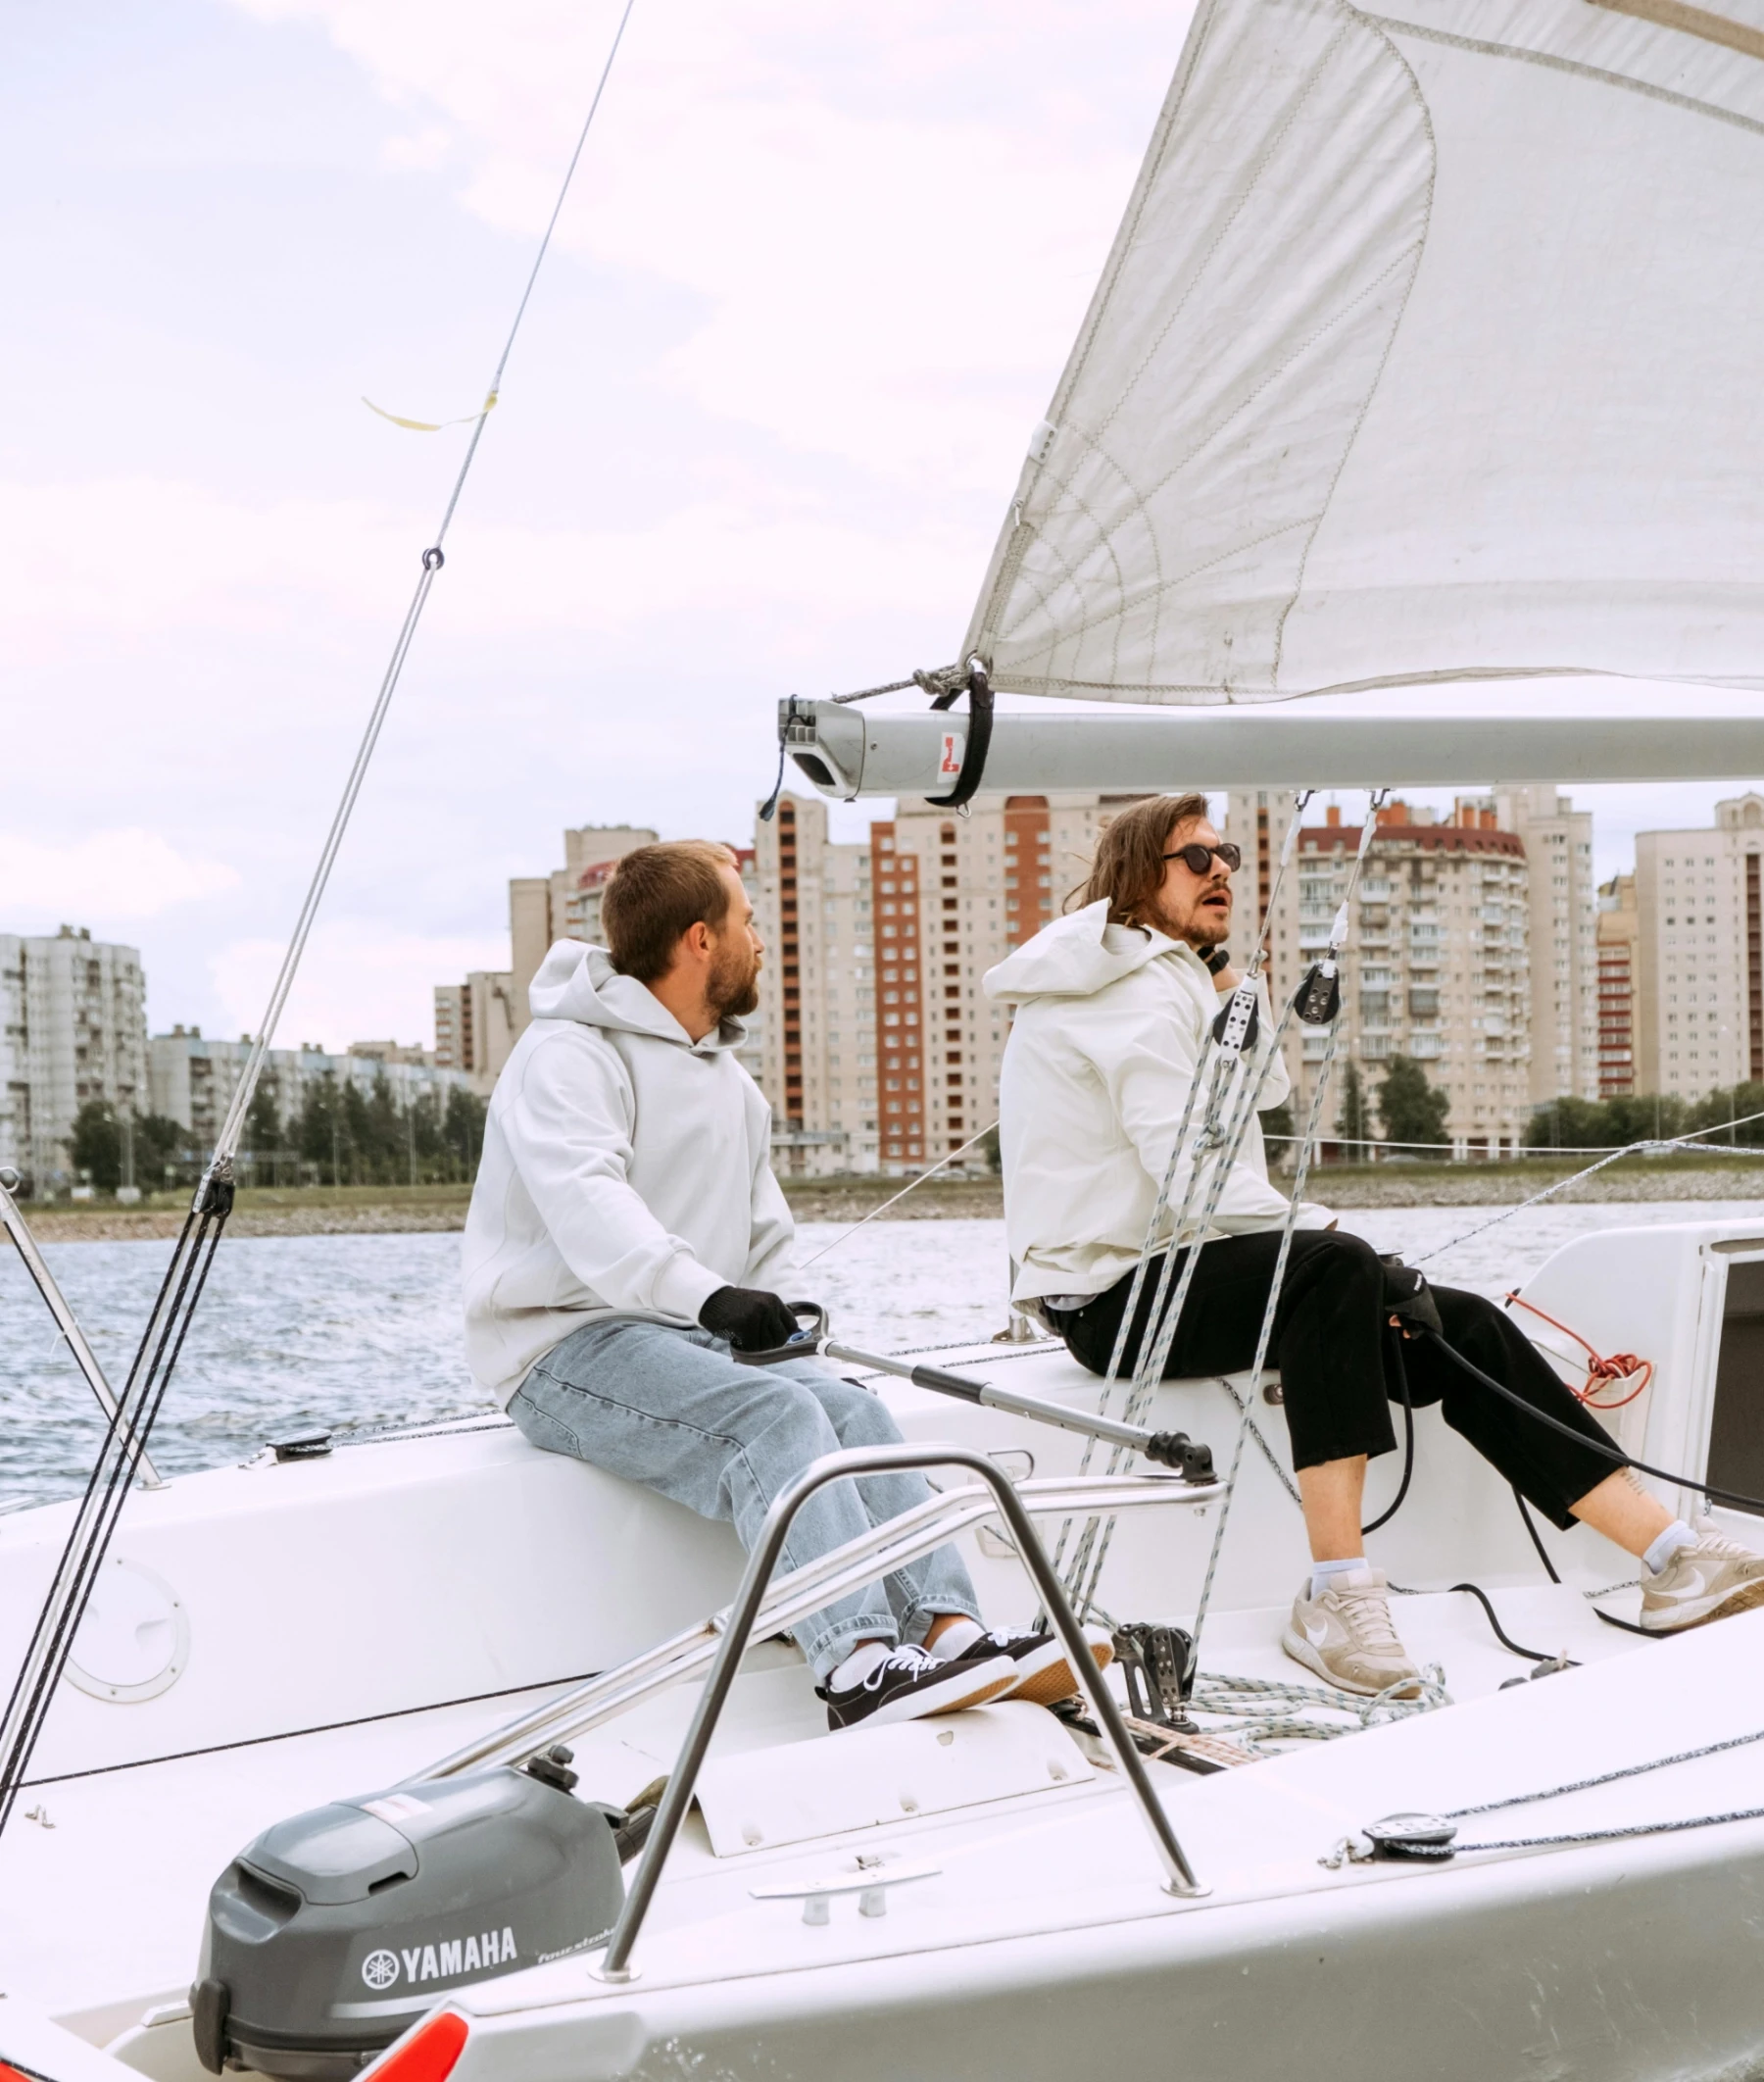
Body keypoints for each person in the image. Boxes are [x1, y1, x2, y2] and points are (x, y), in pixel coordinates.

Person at [986, 793, 1764, 1698]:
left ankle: (1672, 1554)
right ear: (1135, 882)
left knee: (1458, 1323)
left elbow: (1259, 1095)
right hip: (1113, 1300)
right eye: (1197, 859)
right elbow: (1187, 1169)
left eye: (1227, 852)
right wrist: (1340, 1249)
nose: (1224, 870)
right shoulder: (1120, 995)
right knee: (1339, 1271)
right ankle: (1335, 1596)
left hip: (1191, 1266)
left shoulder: (1176, 978)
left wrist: (1237, 994)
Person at [464, 838, 1104, 1730]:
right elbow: (588, 1204)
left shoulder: (728, 1082)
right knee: (775, 1419)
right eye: (747, 921)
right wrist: (709, 1300)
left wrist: (773, 1311)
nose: (758, 940)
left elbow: (763, 1241)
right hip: (565, 1345)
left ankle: (953, 1635)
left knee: (855, 1412)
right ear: (699, 940)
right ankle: (856, 1668)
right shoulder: (568, 1054)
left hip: (687, 1336)